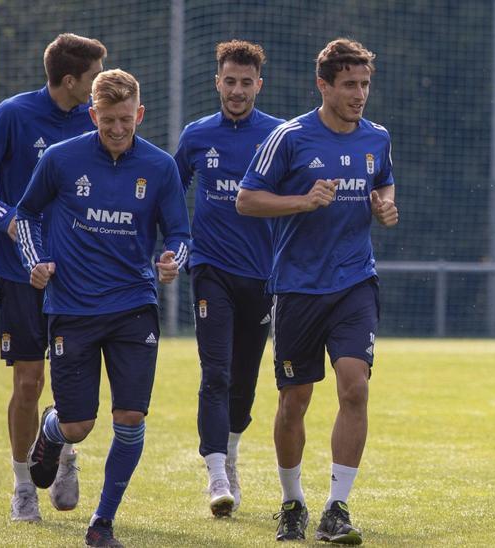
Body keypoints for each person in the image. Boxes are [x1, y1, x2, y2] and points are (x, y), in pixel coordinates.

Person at [17, 69, 191, 547]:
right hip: (72, 308)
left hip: (135, 306)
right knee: (80, 424)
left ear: (140, 114)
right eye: (107, 119)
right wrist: (37, 261)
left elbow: (180, 233)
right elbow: (26, 214)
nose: (117, 128)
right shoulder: (60, 159)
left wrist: (175, 259)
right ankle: (52, 433)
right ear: (93, 115)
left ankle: (102, 522)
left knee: (131, 417)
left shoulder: (159, 167)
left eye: (126, 119)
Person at [236, 38, 397, 545]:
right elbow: (246, 200)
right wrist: (302, 202)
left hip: (354, 282)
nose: (359, 94)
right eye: (349, 85)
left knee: (355, 387)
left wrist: (384, 205)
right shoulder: (289, 137)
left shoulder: (377, 138)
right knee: (294, 401)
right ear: (323, 86)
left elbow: (384, 182)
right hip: (298, 287)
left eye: (365, 84)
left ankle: (336, 507)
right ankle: (292, 502)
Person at [0, 32, 105, 522]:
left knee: (72, 381)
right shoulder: (14, 114)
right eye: (95, 76)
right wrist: (9, 219)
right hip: (20, 272)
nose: (100, 84)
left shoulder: (96, 120)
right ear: (69, 80)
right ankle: (22, 487)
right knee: (28, 381)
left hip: (79, 274)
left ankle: (62, 452)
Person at [174, 39, 285, 517]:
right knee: (214, 373)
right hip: (210, 270)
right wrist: (172, 245)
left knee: (243, 382)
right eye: (229, 81)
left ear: (259, 85)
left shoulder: (281, 136)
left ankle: (232, 452)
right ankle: (217, 473)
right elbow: (168, 191)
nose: (237, 90)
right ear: (216, 81)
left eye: (246, 83)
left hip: (262, 276)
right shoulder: (197, 135)